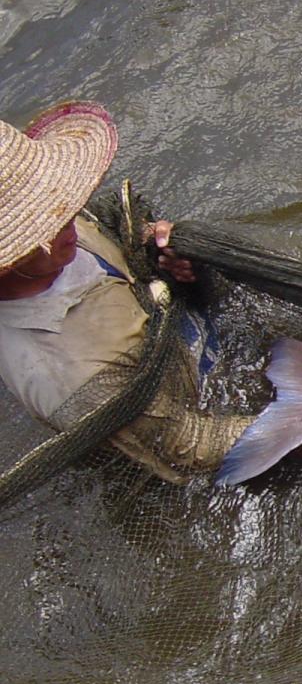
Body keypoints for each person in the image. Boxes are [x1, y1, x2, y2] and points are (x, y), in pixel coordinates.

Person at [0, 100, 246, 482]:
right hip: (198, 414)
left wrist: (159, 249)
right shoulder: (67, 378)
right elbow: (193, 445)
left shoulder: (64, 229)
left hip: (197, 344)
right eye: (43, 227)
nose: (70, 219)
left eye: (60, 205)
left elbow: (112, 224)